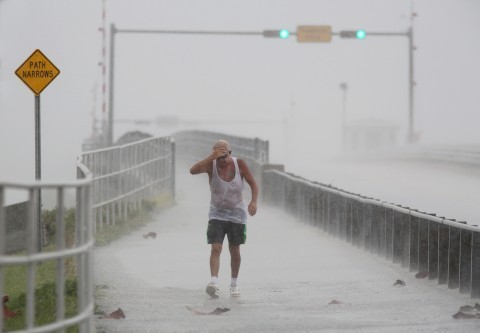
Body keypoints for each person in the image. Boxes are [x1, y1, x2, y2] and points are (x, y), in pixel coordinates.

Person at [190, 139, 258, 298]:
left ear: (230, 153)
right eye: (218, 156)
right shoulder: (210, 164)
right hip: (217, 213)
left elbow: (253, 184)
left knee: (234, 250)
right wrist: (210, 157)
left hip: (237, 213)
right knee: (216, 248)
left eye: (224, 156)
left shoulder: (239, 164)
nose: (221, 160)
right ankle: (214, 283)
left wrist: (253, 202)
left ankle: (234, 284)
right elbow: (192, 171)